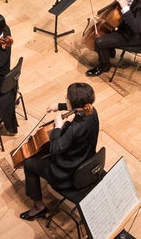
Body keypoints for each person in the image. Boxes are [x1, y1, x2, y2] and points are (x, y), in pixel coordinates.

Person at [19, 82, 98, 220]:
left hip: (66, 174)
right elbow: (77, 108)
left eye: (67, 98)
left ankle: (38, 207)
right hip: (86, 161)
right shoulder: (91, 111)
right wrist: (59, 106)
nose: (65, 97)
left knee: (29, 163)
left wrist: (58, 127)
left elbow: (54, 148)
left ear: (74, 103)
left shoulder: (74, 130)